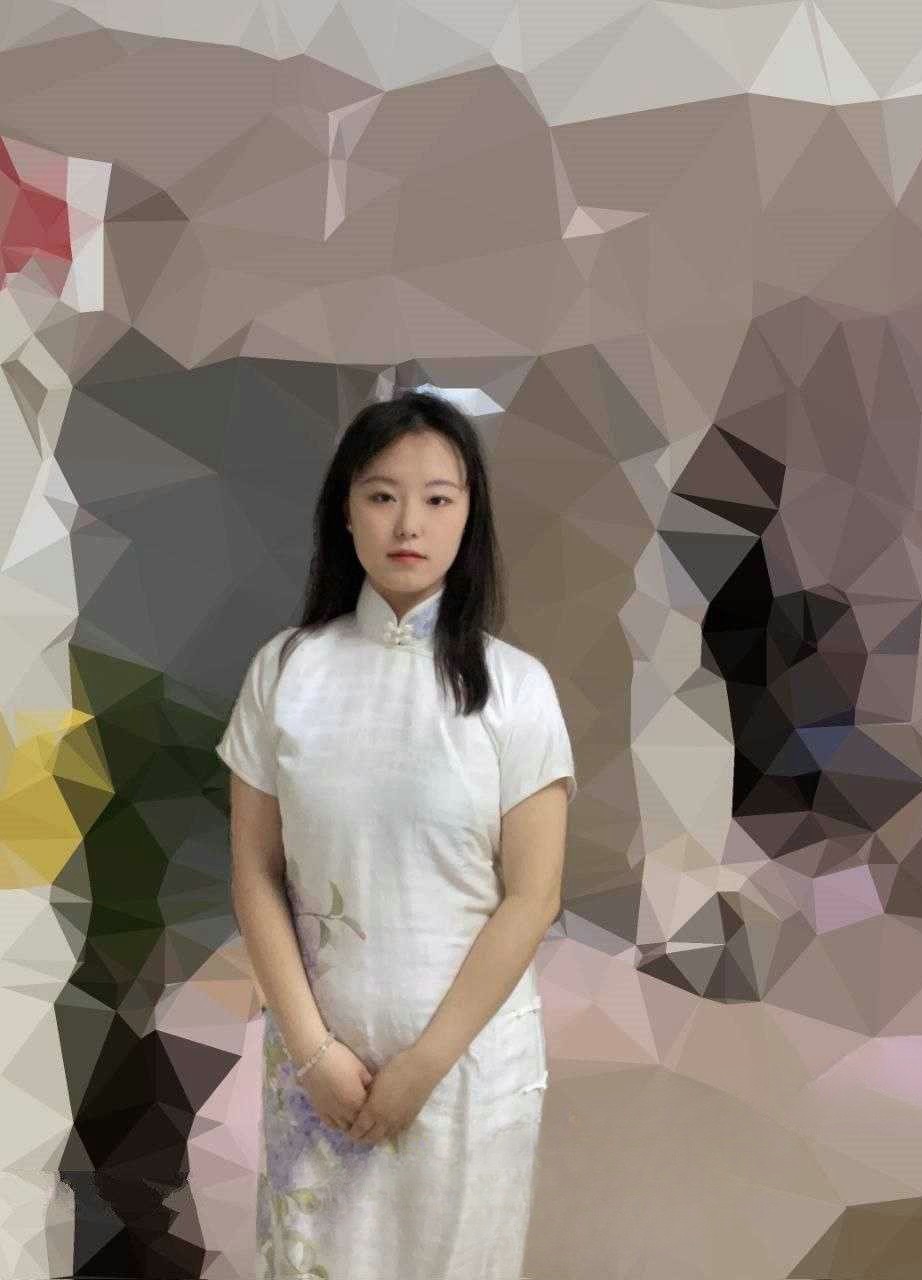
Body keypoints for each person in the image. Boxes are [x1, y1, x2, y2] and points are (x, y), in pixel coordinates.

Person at [215, 389, 577, 1280]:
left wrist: (423, 1067)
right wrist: (314, 1054)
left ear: (469, 515)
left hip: (467, 1070)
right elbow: (255, 872)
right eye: (381, 495)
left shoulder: (516, 689)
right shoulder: (285, 670)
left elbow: (534, 897)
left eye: (437, 498)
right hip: (319, 1076)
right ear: (345, 511)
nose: (408, 523)